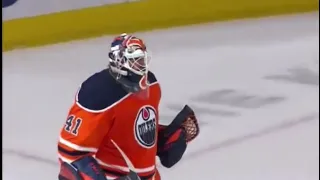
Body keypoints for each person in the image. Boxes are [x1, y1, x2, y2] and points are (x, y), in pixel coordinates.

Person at [57, 33, 199, 180]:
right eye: (135, 60)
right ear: (119, 61)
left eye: (141, 59)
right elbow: (71, 154)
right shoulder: (98, 92)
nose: (141, 65)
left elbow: (132, 130)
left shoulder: (152, 85)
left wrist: (161, 138)